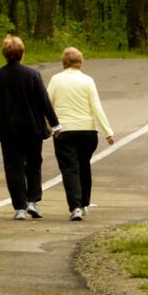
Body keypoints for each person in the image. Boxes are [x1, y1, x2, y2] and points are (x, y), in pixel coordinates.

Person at [0, 36, 60, 220]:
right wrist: (54, 123)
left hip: (8, 130)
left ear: (4, 54)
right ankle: (33, 201)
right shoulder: (32, 75)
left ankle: (19, 206)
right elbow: (44, 101)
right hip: (32, 128)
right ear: (22, 53)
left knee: (13, 167)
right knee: (34, 164)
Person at [47, 47, 115, 221]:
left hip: (65, 131)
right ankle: (84, 203)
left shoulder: (56, 80)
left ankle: (75, 206)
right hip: (88, 131)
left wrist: (48, 127)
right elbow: (96, 107)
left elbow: (47, 105)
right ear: (80, 62)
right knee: (84, 165)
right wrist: (108, 132)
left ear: (63, 62)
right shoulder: (87, 81)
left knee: (70, 168)